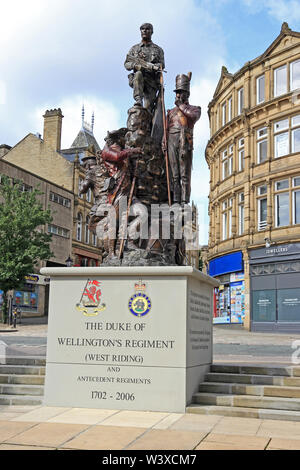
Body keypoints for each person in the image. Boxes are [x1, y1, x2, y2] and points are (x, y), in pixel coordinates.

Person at [166, 73, 201, 205]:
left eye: (182, 92)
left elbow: (193, 117)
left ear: (187, 94)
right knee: (174, 174)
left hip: (184, 140)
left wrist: (181, 106)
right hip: (171, 140)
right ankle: (175, 200)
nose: (179, 95)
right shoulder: (170, 112)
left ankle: (184, 201)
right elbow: (166, 128)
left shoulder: (195, 109)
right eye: (177, 93)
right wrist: (165, 140)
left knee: (184, 174)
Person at [124, 23, 165, 114]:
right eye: (142, 29)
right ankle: (138, 100)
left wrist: (156, 66)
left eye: (147, 29)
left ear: (152, 31)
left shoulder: (158, 49)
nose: (145, 31)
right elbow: (127, 64)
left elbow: (162, 65)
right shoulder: (135, 49)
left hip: (152, 82)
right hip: (138, 80)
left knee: (148, 110)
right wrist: (135, 66)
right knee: (138, 74)